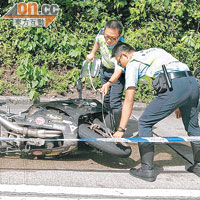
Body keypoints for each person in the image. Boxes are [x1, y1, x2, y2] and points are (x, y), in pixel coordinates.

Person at [102, 42, 200, 182]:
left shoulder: (132, 63)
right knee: (193, 126)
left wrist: (121, 129)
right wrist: (179, 102)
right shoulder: (154, 50)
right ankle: (199, 165)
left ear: (124, 55)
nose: (121, 66)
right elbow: (176, 71)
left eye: (119, 62)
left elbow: (129, 99)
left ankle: (146, 169)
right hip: (192, 83)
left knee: (144, 122)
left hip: (175, 86)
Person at [86, 20, 125, 131]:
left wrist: (109, 83)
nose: (109, 40)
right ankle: (108, 125)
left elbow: (118, 71)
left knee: (115, 102)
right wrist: (93, 53)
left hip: (118, 76)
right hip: (105, 70)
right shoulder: (102, 34)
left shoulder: (121, 48)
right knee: (106, 99)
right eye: (107, 36)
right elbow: (97, 41)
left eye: (113, 38)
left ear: (119, 36)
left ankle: (118, 131)